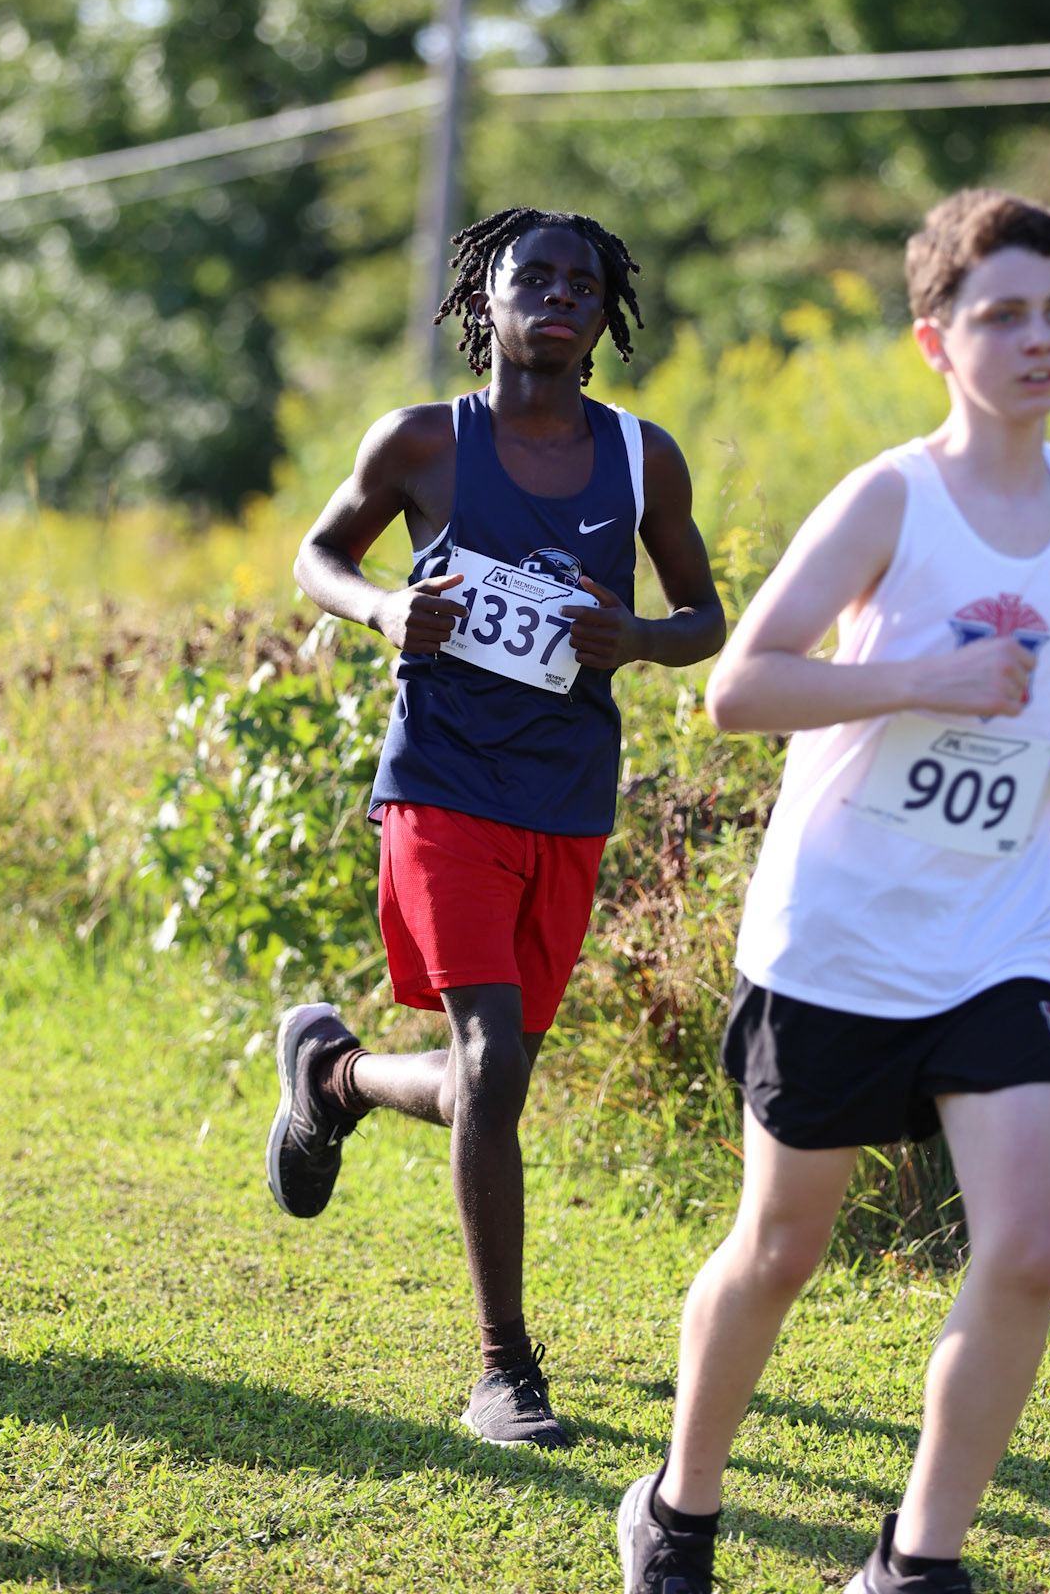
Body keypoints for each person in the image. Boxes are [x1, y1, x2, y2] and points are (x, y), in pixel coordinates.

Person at [618, 189, 1050, 1594]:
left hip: (995, 929)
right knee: (783, 1248)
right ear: (935, 339)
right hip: (839, 935)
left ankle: (918, 1563)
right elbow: (738, 688)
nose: (1038, 340)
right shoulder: (890, 496)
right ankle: (678, 1505)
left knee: (1026, 1248)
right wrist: (917, 678)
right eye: (1001, 317)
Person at [266, 205, 725, 1449]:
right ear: (491, 301)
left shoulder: (642, 458)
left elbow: (707, 620)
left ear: (605, 314)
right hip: (441, 782)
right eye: (537, 276)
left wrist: (636, 637)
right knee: (496, 1055)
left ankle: (338, 1076)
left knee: (489, 1071)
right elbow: (318, 552)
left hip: (566, 797)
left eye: (585, 283)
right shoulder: (422, 440)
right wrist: (381, 606)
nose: (561, 296)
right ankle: (502, 1366)